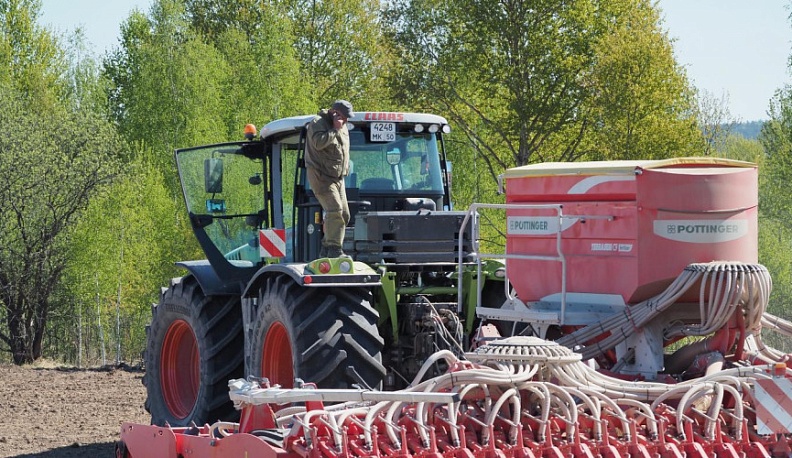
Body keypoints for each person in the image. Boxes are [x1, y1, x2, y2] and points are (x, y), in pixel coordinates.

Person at [305, 100, 354, 258]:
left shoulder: (343, 126)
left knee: (345, 215)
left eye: (347, 118)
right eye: (344, 116)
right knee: (335, 210)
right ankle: (334, 250)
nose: (346, 120)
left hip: (338, 178)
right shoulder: (317, 123)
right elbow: (318, 143)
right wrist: (334, 129)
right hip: (321, 176)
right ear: (335, 112)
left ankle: (326, 248)